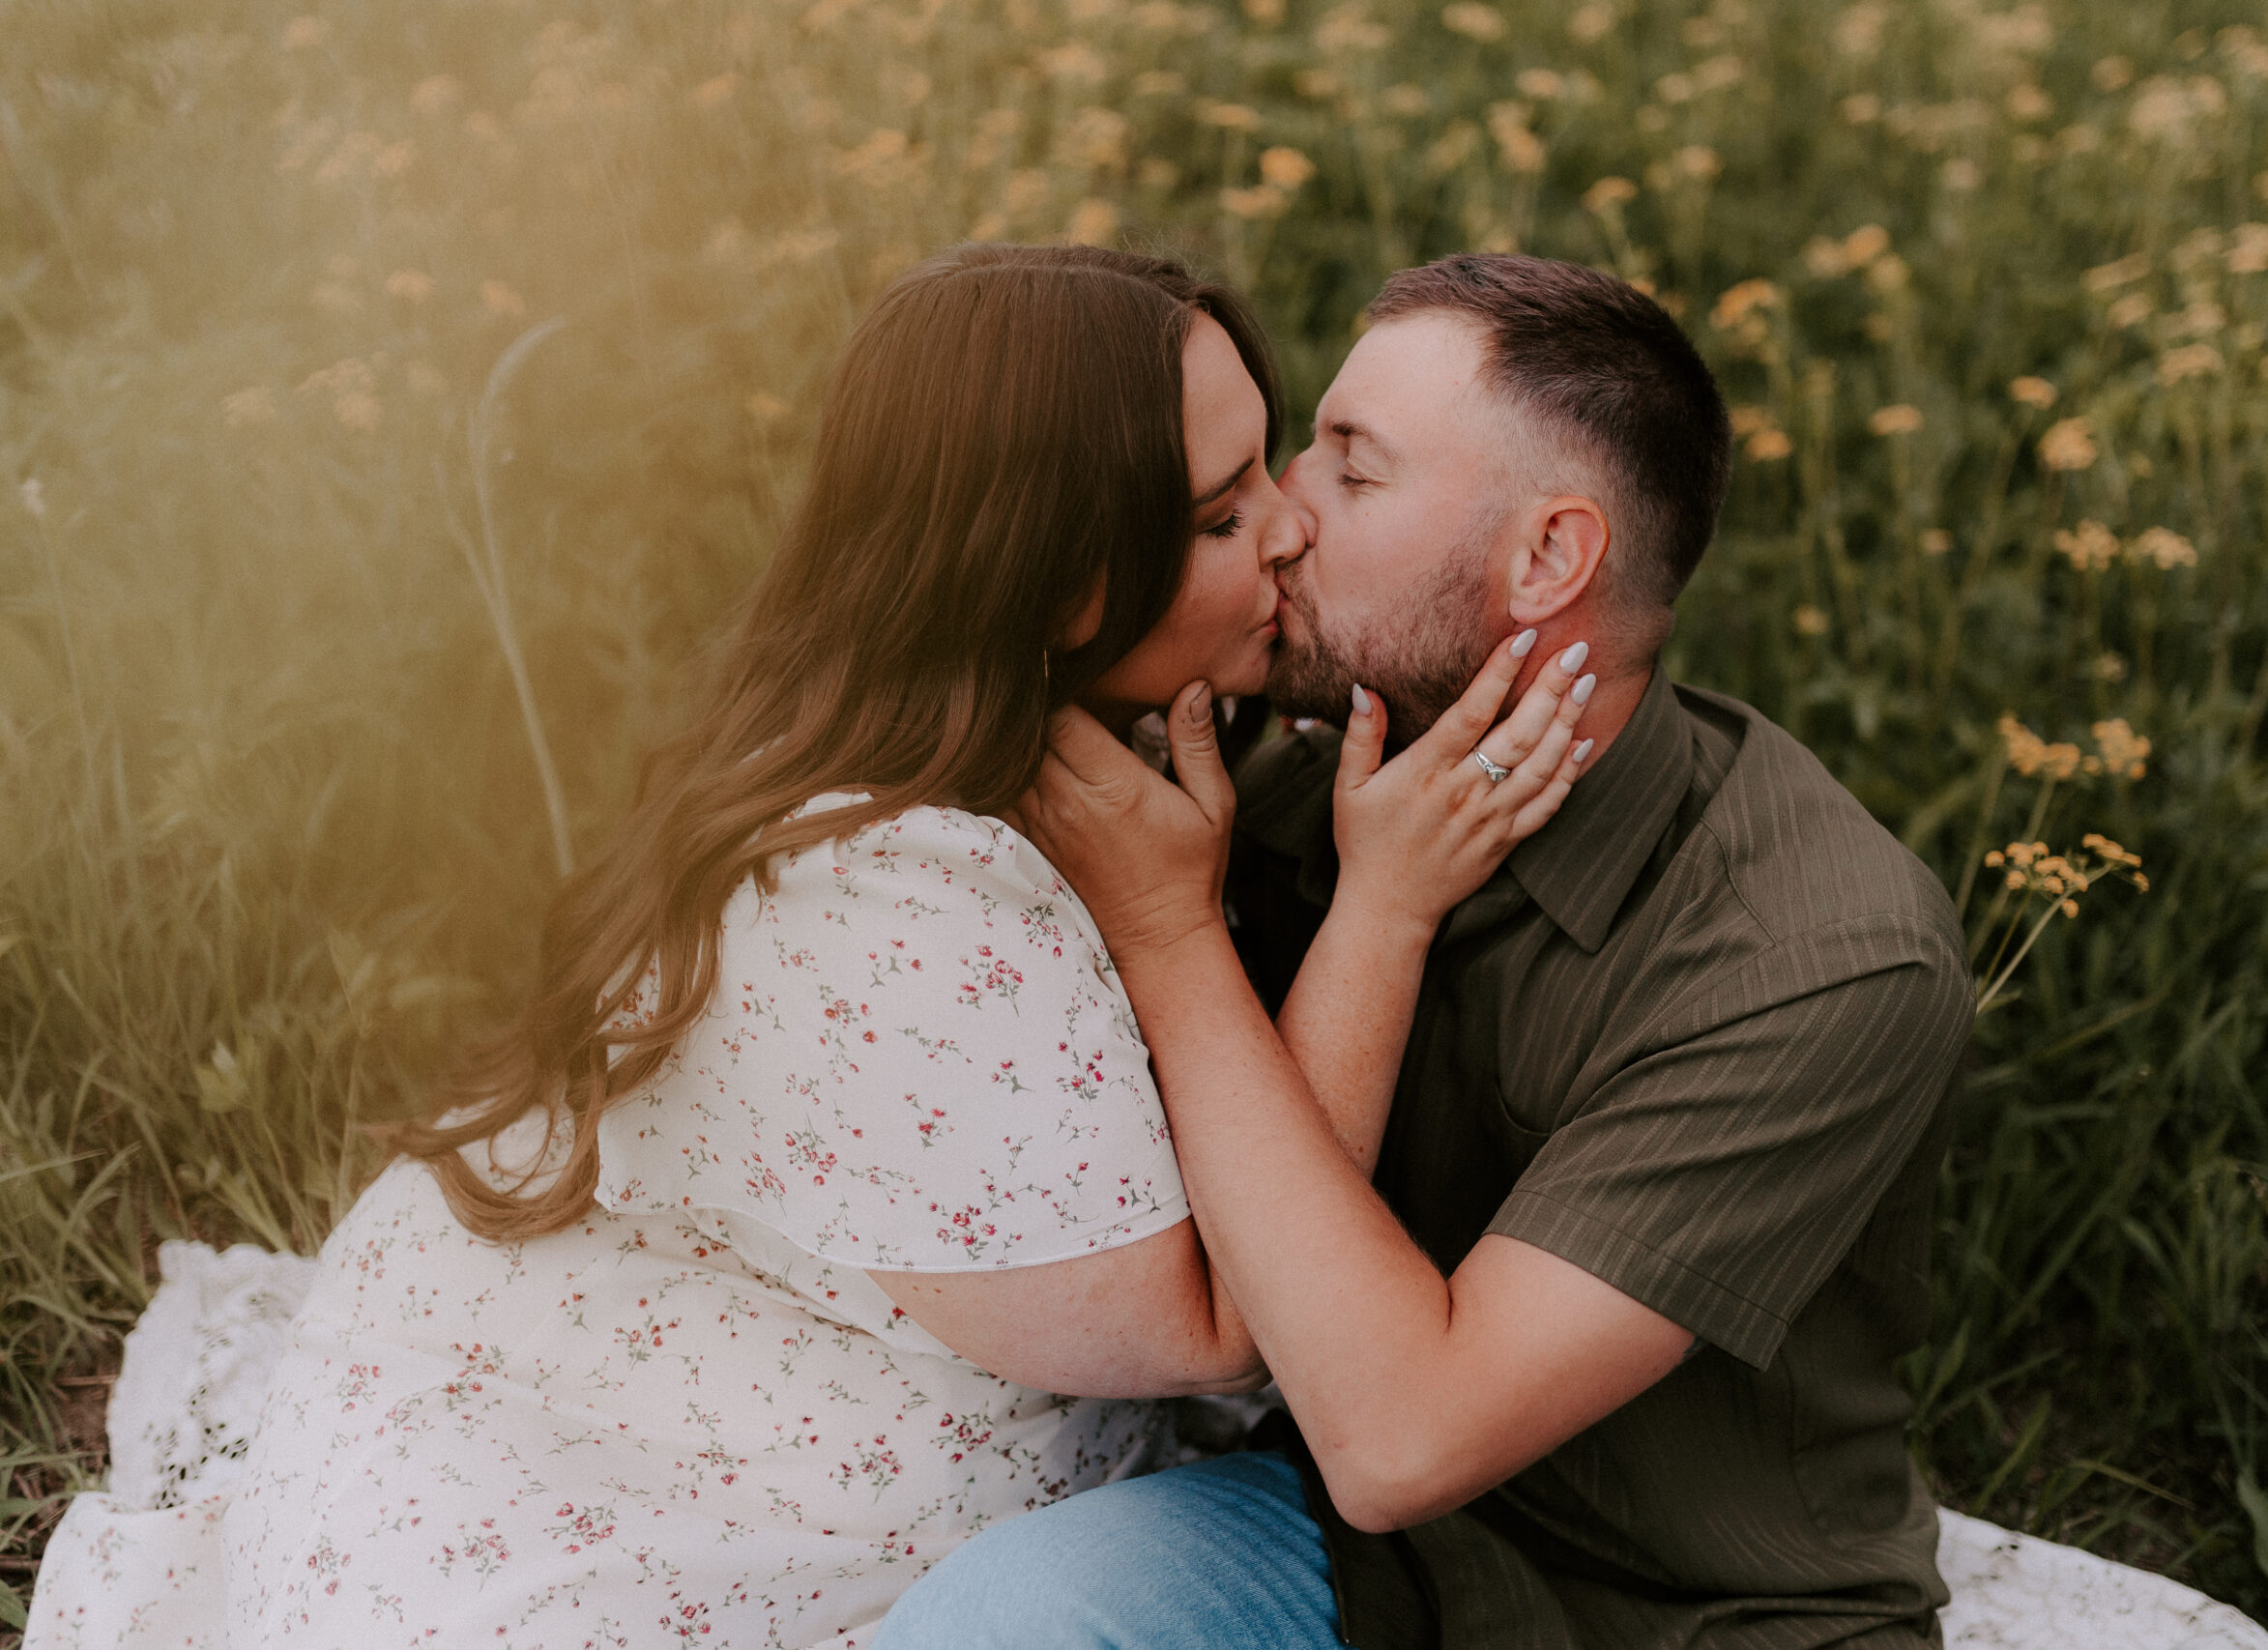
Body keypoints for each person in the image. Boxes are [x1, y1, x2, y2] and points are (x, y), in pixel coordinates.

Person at [188, 246, 1589, 1649]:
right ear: (1052, 586)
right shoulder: (893, 893)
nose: (1290, 529)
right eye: (1221, 517)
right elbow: (1233, 1320)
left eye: (1270, 469)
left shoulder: (1046, 743)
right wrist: (1385, 910)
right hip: (645, 1490)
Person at [876, 253, 1975, 1650]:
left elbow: (1403, 1442)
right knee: (1004, 1622)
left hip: (1704, 1617)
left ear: (1548, 559)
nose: (1282, 520)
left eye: (1352, 470)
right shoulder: (1274, 791)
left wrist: (1171, 939)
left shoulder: (1818, 961)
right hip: (1345, 1557)